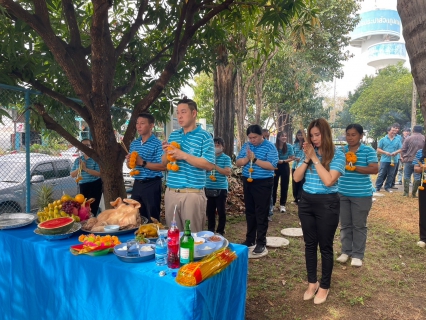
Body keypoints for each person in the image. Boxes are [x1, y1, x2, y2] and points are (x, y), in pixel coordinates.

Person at [293, 118, 345, 304]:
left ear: (326, 134)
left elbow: (329, 181)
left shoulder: (338, 154)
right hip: (307, 202)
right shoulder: (308, 153)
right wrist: (308, 158)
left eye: (318, 134)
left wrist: (315, 159)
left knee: (325, 246)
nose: (314, 139)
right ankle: (312, 282)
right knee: (309, 244)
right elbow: (297, 178)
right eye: (312, 135)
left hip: (328, 204)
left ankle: (324, 286)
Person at [162, 98, 215, 232]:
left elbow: (209, 165)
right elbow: (164, 163)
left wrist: (183, 155)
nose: (179, 116)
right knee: (173, 238)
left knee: (193, 238)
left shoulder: (204, 136)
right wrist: (166, 153)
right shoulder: (174, 135)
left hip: (192, 194)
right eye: (177, 113)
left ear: (194, 113)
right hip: (171, 192)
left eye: (183, 112)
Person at [336, 124, 378, 267]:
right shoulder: (341, 150)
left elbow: (374, 169)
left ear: (361, 136)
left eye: (354, 134)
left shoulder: (368, 151)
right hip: (342, 193)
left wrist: (355, 167)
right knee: (345, 224)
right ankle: (346, 251)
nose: (350, 137)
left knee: (359, 225)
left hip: (361, 194)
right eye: (348, 134)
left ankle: (358, 254)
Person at [236, 125, 278, 255]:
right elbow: (238, 162)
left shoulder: (270, 147)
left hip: (263, 182)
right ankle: (250, 239)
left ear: (262, 136)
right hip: (248, 181)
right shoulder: (246, 146)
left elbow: (272, 166)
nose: (252, 140)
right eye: (250, 137)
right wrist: (247, 159)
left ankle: (261, 242)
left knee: (261, 212)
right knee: (250, 211)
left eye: (255, 137)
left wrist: (255, 160)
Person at [126, 113, 166, 222]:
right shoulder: (134, 144)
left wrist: (142, 162)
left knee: (152, 216)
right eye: (137, 123)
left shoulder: (158, 144)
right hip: (137, 183)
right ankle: (139, 238)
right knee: (135, 215)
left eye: (142, 123)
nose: (139, 126)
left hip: (152, 184)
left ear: (151, 125)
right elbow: (130, 166)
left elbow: (163, 166)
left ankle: (154, 238)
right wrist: (129, 161)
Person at [205, 137, 232, 235]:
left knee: (221, 211)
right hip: (208, 187)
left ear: (223, 147)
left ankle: (220, 230)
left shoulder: (226, 158)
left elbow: (227, 172)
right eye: (214, 145)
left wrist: (215, 166)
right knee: (210, 211)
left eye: (218, 145)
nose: (216, 147)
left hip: (221, 188)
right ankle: (210, 231)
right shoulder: (208, 157)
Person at [70, 139, 102, 215]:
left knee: (92, 207)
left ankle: (93, 222)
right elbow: (72, 174)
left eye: (88, 145)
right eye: (83, 146)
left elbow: (99, 173)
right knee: (83, 207)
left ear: (91, 147)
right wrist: (80, 168)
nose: (85, 147)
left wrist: (85, 169)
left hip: (94, 185)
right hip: (83, 185)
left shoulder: (95, 159)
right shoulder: (78, 160)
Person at [375, 127, 402, 192]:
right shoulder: (383, 139)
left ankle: (387, 187)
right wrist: (385, 152)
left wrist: (396, 152)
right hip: (384, 159)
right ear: (388, 131)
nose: (394, 132)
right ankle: (378, 186)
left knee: (391, 174)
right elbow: (378, 149)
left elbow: (401, 149)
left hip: (394, 160)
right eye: (392, 130)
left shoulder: (398, 140)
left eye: (395, 131)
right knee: (381, 173)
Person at [273, 132, 294, 212]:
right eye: (282, 136)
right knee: (274, 185)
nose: (284, 137)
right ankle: (273, 204)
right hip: (275, 166)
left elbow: (292, 157)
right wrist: (276, 161)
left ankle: (282, 205)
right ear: (278, 137)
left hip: (285, 165)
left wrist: (284, 161)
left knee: (284, 185)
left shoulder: (289, 146)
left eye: (285, 136)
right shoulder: (274, 146)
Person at [401, 125, 424, 197]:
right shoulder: (424, 138)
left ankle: (406, 193)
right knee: (417, 176)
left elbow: (403, 149)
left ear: (413, 130)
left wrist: (403, 156)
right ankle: (414, 194)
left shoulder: (408, 138)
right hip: (419, 161)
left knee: (407, 175)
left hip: (409, 159)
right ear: (421, 131)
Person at [413, 142, 426, 248]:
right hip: (424, 185)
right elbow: (416, 169)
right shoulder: (420, 153)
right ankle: (424, 238)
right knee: (424, 211)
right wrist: (423, 168)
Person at [262, 129, 274, 221]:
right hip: (257, 177)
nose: (266, 138)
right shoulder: (255, 147)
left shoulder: (270, 146)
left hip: (268, 176)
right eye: (264, 136)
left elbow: (272, 163)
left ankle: (269, 213)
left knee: (268, 196)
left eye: (267, 136)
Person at [292, 129, 305, 204]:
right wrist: (294, 158)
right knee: (295, 182)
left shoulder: (306, 144)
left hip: (303, 166)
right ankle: (296, 198)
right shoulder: (295, 144)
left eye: (301, 135)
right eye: (298, 135)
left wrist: (301, 159)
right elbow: (292, 154)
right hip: (295, 165)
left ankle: (300, 198)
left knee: (302, 182)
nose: (300, 137)